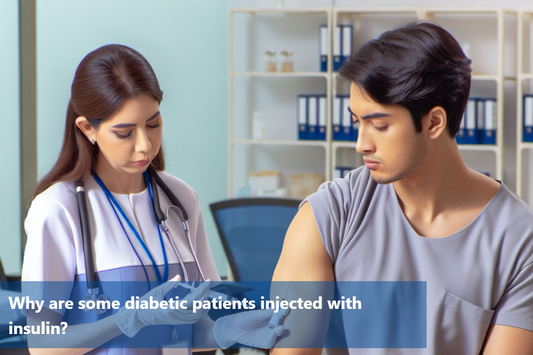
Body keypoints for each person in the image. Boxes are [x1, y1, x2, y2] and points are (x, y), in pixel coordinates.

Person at [271, 21, 533, 354]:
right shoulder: (328, 216)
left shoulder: (519, 240)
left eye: (379, 125)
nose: (361, 144)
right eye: (357, 121)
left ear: (433, 122)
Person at [22, 44, 284, 355]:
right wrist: (126, 320)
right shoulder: (57, 210)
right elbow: (41, 345)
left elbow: (188, 333)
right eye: (125, 133)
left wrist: (223, 331)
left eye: (153, 124)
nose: (146, 145)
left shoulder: (182, 199)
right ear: (87, 128)